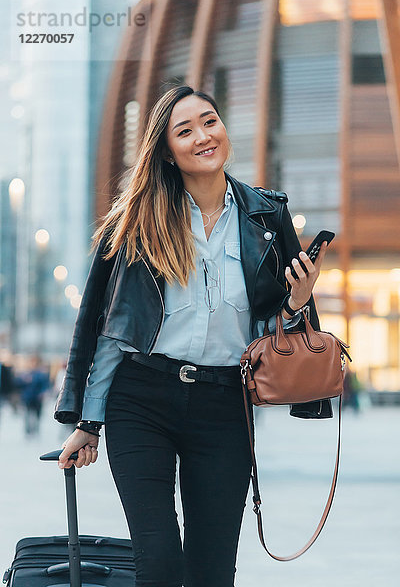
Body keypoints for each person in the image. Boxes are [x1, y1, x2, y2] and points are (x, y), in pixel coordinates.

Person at [54, 85, 330, 587]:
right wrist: (86, 421)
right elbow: (107, 329)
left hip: (224, 404)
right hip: (141, 400)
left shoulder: (266, 215)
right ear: (166, 150)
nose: (204, 136)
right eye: (185, 131)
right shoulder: (136, 221)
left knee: (211, 569)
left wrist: (297, 299)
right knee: (158, 562)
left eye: (210, 121)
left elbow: (279, 333)